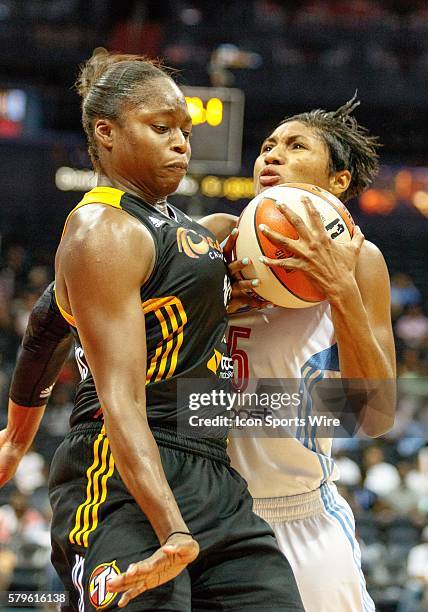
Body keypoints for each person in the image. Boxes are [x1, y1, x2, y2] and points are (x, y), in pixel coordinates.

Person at [1, 50, 304, 611]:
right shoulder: (103, 229)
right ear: (106, 132)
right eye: (161, 127)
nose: (181, 143)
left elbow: (47, 320)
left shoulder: (186, 229)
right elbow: (121, 402)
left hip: (212, 473)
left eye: (184, 130)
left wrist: (17, 437)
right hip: (117, 474)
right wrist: (172, 530)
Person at [220, 98, 396, 612]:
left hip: (301, 517)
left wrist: (341, 290)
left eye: (295, 145)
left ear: (338, 180)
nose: (271, 156)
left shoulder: (362, 260)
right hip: (210, 511)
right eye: (266, 146)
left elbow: (377, 413)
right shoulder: (213, 238)